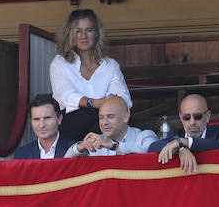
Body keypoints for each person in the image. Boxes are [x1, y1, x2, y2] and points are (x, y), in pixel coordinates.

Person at [49, 8, 132, 142]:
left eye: (89, 30)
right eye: (77, 31)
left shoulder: (110, 65)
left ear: (97, 33)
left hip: (105, 122)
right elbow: (65, 96)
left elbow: (122, 98)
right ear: (70, 34)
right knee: (98, 115)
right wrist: (96, 102)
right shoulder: (59, 63)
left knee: (110, 117)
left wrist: (104, 106)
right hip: (72, 124)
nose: (83, 36)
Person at [147, 93, 219, 173]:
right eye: (187, 117)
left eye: (197, 116)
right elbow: (152, 147)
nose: (192, 122)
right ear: (181, 118)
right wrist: (181, 148)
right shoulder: (175, 134)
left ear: (207, 116)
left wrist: (184, 142)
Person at [65, 96, 156, 157]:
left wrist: (114, 147)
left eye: (110, 117)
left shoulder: (145, 136)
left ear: (125, 117)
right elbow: (64, 166)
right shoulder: (97, 142)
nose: (104, 122)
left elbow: (150, 157)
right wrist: (79, 148)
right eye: (101, 117)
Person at [10, 95, 76, 160]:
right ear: (31, 121)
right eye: (36, 119)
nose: (42, 125)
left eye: (47, 118)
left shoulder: (75, 150)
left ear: (59, 119)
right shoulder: (22, 154)